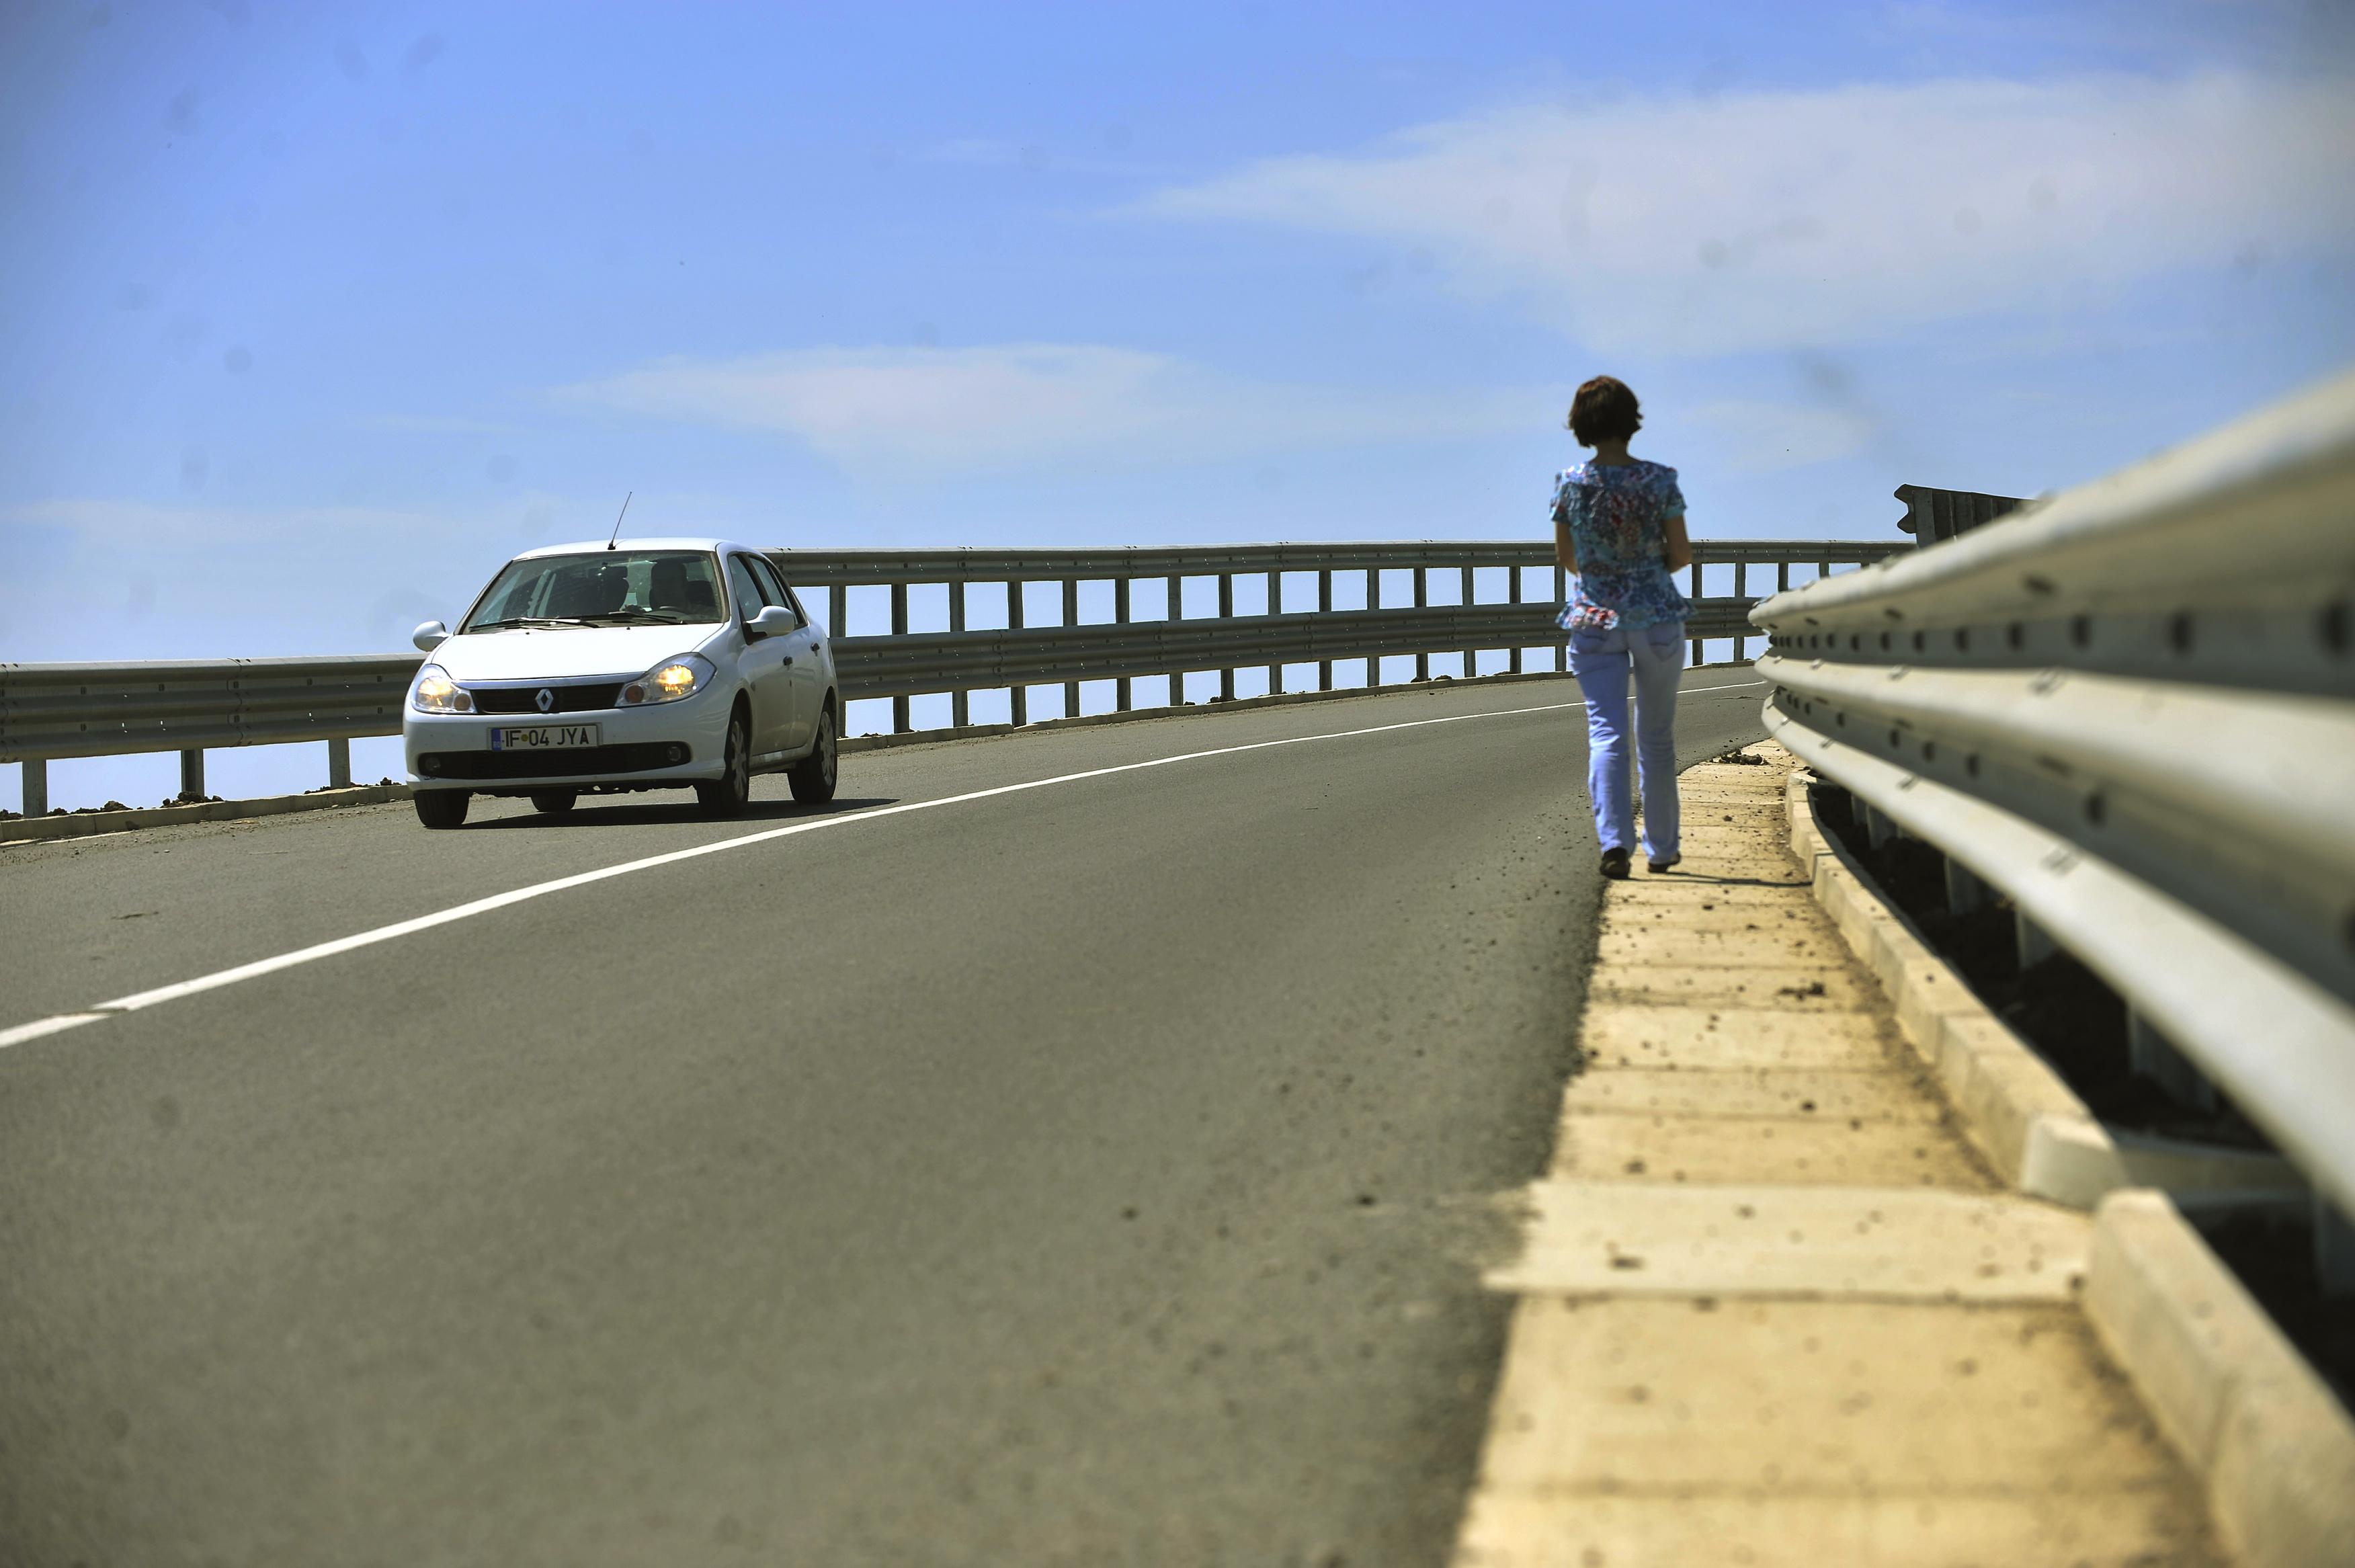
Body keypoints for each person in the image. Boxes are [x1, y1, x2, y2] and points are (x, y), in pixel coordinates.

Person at [1551, 376, 1694, 880]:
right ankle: (1661, 849)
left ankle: (1614, 843)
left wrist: (1605, 573)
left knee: (1606, 733)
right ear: (1632, 419)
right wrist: (1644, 571)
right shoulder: (1659, 479)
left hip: (1594, 620)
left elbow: (1568, 559)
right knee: (1655, 737)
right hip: (1655, 617)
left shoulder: (1571, 481)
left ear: (1582, 423)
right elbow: (1680, 554)